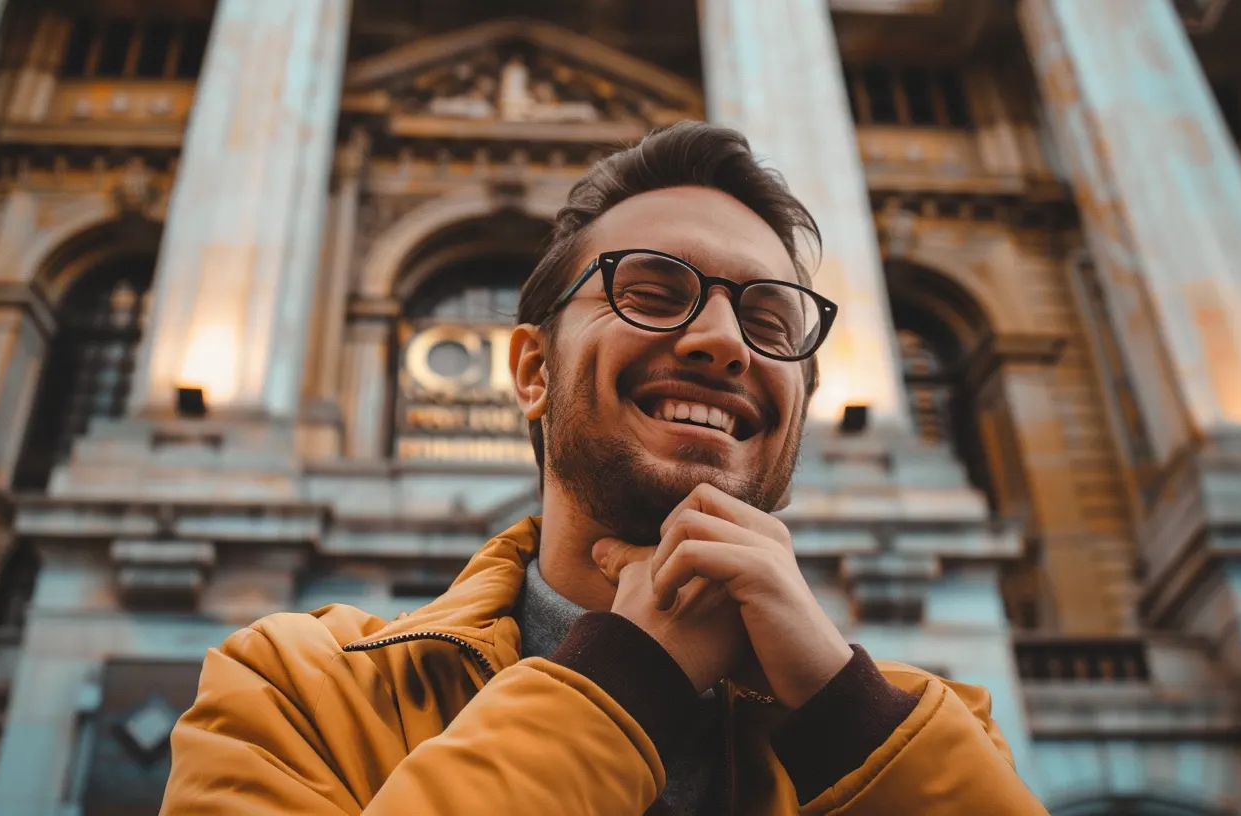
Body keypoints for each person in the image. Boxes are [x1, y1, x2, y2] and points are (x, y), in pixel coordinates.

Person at [160, 122, 1048, 815]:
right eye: (652, 293)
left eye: (770, 323)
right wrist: (625, 681)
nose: (722, 343)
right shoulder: (295, 686)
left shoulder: (919, 733)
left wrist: (841, 710)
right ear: (532, 372)